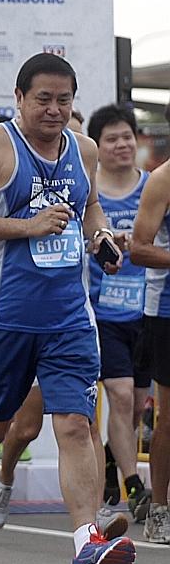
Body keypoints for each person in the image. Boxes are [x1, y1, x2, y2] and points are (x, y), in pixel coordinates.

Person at [0, 53, 136, 564]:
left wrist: (100, 237)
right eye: (43, 99)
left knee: (75, 423)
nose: (54, 109)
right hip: (4, 314)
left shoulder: (84, 149)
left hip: (69, 315)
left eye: (64, 100)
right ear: (20, 98)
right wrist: (27, 226)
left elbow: (90, 206)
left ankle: (85, 546)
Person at [85, 104, 153, 523]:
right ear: (97, 146)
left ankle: (114, 463)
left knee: (137, 406)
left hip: (147, 311)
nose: (122, 144)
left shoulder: (152, 186)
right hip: (104, 313)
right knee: (122, 395)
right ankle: (135, 487)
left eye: (127, 135)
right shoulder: (88, 192)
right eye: (111, 138)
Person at [131, 154, 170, 543]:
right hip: (166, 310)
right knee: (168, 418)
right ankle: (160, 508)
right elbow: (139, 248)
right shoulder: (162, 179)